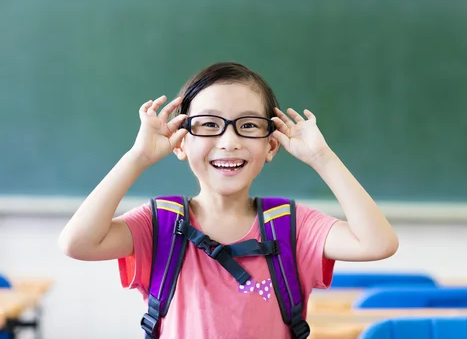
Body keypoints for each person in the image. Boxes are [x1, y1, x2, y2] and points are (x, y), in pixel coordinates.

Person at [58, 61, 399, 338]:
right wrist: (138, 157)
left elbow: (378, 243)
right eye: (209, 125)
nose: (229, 140)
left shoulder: (291, 227)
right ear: (180, 142)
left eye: (248, 126)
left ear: (271, 145)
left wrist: (322, 157)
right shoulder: (160, 224)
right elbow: (78, 243)